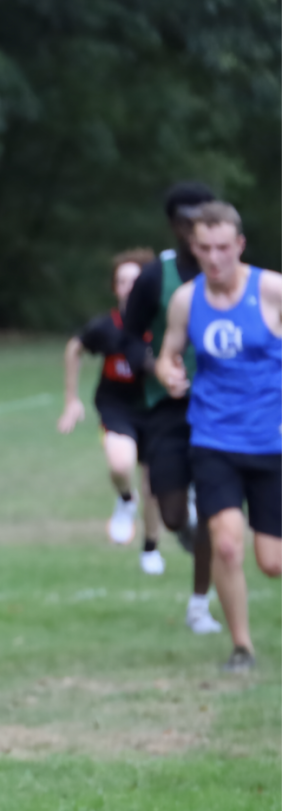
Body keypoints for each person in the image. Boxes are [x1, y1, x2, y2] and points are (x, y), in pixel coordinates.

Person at [154, 200, 282, 672]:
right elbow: (168, 352)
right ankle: (242, 647)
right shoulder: (187, 300)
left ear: (240, 246)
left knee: (272, 561)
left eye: (223, 247)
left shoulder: (271, 291)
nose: (214, 258)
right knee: (226, 543)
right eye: (204, 248)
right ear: (194, 248)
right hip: (214, 438)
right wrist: (169, 373)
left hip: (273, 441)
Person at [121, 182, 223, 635]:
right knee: (176, 514)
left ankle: (200, 604)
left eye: (200, 220)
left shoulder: (229, 272)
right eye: (184, 222)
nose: (192, 230)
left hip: (222, 408)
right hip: (167, 407)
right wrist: (150, 366)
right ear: (173, 225)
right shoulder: (153, 277)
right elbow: (127, 335)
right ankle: (187, 530)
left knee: (215, 514)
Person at [59, 248, 165, 571]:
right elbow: (74, 348)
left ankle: (150, 548)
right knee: (120, 466)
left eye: (135, 281)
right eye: (122, 282)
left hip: (156, 407)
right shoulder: (106, 327)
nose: (129, 287)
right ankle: (124, 499)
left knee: (153, 485)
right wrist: (71, 399)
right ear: (115, 288)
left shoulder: (163, 324)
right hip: (116, 405)